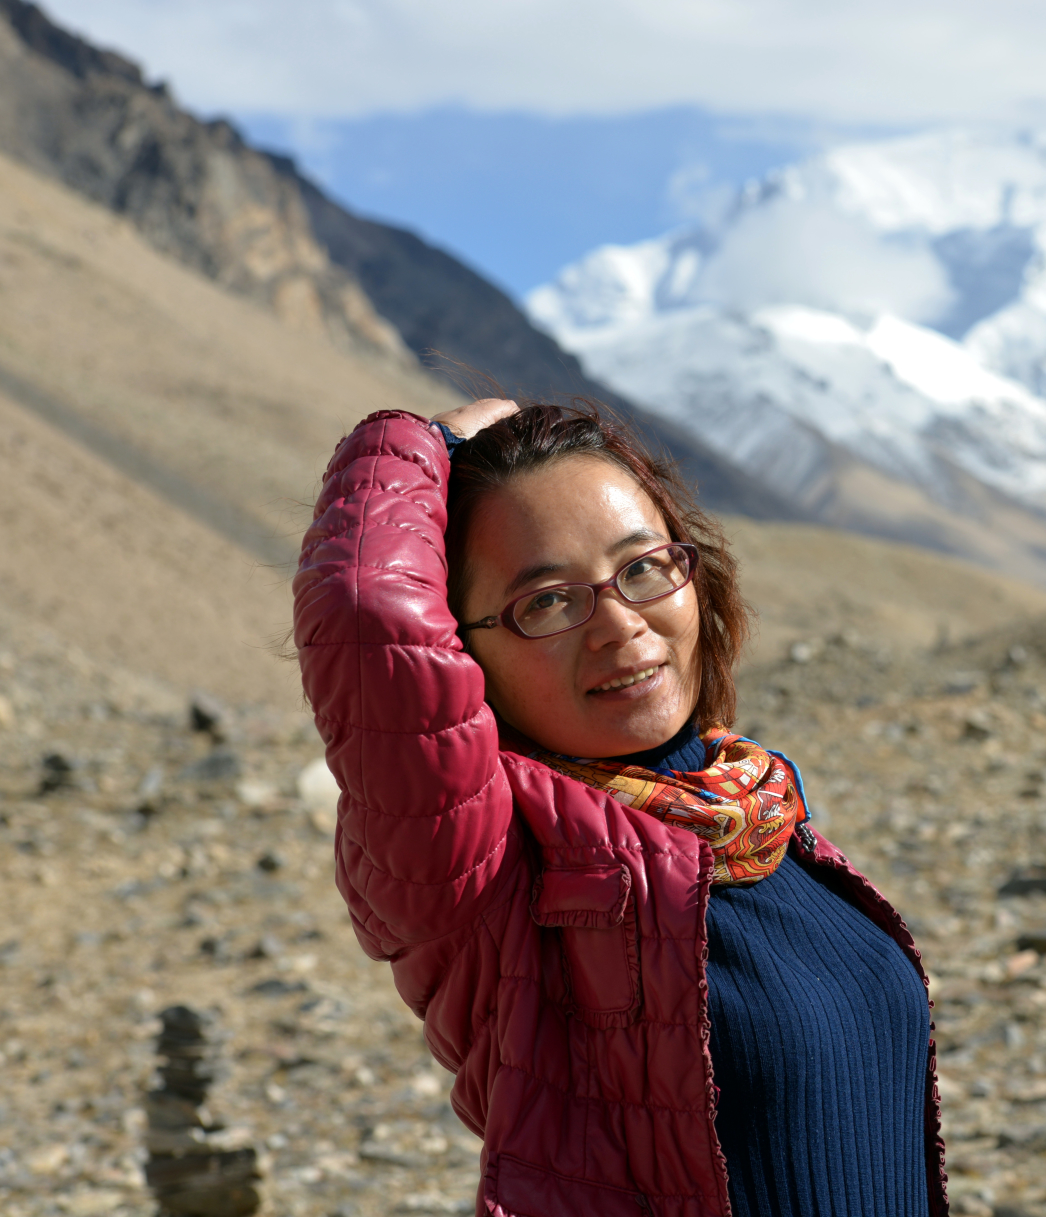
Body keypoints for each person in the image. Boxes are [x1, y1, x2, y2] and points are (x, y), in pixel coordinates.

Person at [293, 399, 947, 1216]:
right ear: (463, 650)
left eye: (642, 567)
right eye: (547, 602)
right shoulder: (490, 863)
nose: (618, 625)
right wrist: (427, 441)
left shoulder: (752, 808)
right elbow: (364, 608)